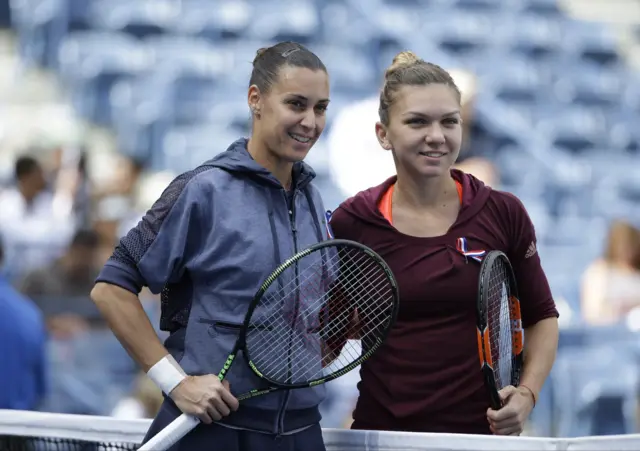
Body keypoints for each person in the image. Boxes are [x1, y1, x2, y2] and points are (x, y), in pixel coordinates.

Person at [91, 41, 331, 451]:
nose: (309, 121)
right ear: (255, 99)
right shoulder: (202, 190)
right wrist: (176, 382)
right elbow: (111, 289)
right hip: (214, 430)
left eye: (320, 108)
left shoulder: (313, 198)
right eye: (296, 104)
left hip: (300, 431)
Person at [328, 51, 559, 436]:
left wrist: (527, 394)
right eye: (417, 122)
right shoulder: (351, 221)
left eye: (449, 122)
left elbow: (542, 318)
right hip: (385, 438)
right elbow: (331, 338)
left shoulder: (504, 212)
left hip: (482, 440)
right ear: (383, 134)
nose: (436, 136)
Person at [0, 235, 48, 411]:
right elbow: (41, 390)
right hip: (17, 433)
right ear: (3, 255)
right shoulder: (30, 314)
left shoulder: (30, 314)